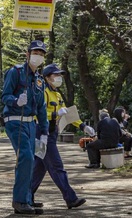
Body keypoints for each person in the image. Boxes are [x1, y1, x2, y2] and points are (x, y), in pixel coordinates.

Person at [31, 63, 92, 210]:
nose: (59, 78)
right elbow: (36, 113)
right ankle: (70, 198)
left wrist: (83, 126)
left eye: (60, 75)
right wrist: (54, 114)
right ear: (47, 77)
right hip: (42, 133)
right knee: (57, 166)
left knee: (39, 168)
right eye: (56, 75)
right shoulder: (42, 93)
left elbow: (68, 114)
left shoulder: (57, 95)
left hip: (51, 134)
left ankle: (26, 197)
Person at [2, 40, 49, 215]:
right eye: (35, 52)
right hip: (15, 120)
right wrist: (15, 101)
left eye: (42, 54)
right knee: (26, 158)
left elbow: (42, 107)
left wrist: (44, 131)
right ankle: (20, 201)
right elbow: (5, 95)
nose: (39, 56)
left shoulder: (39, 80)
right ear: (27, 54)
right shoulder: (15, 72)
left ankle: (28, 199)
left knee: (30, 161)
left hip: (31, 123)